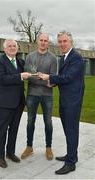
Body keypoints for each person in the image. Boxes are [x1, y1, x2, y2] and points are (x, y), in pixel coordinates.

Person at [38, 31, 85, 174]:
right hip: (65, 100)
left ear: (71, 42)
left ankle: (71, 163)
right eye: (60, 41)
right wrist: (53, 83)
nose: (62, 44)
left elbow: (69, 77)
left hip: (72, 102)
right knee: (68, 130)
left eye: (65, 41)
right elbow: (64, 78)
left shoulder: (76, 58)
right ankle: (72, 155)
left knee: (71, 130)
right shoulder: (64, 58)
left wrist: (49, 77)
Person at [0, 39, 31, 168]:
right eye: (9, 46)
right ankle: (0, 156)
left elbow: (30, 71)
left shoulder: (20, 61)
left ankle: (10, 153)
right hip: (4, 103)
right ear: (4, 49)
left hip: (19, 103)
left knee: (14, 130)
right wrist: (20, 76)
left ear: (17, 47)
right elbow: (2, 79)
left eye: (14, 46)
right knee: (1, 131)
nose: (12, 47)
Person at [21, 33, 57, 160]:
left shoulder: (53, 58)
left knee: (48, 121)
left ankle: (48, 147)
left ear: (48, 42)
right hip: (32, 94)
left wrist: (46, 79)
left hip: (47, 95)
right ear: (38, 41)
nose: (43, 42)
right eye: (41, 40)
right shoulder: (30, 56)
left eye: (45, 40)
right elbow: (27, 76)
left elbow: (52, 79)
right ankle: (29, 147)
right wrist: (40, 77)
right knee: (30, 121)